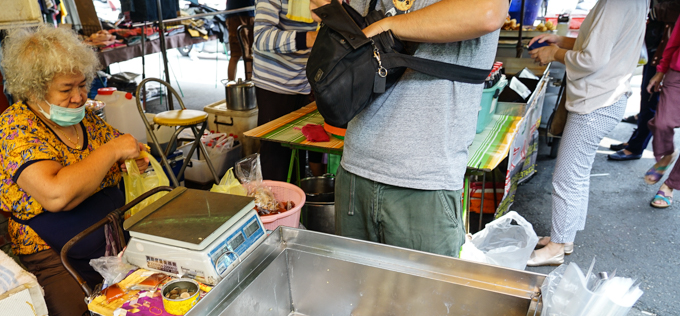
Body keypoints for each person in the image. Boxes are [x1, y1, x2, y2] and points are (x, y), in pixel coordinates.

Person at [0, 25, 148, 316]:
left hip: (110, 240)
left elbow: (123, 150)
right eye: (66, 89)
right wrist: (112, 152)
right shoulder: (16, 127)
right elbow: (57, 195)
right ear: (35, 88)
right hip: (54, 253)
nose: (78, 97)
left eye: (82, 85)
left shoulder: (87, 120)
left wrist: (136, 156)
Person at [306, 0, 507, 257]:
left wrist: (389, 25)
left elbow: (487, 12)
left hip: (425, 182)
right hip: (356, 170)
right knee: (355, 290)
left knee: (420, 295)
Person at [526, 0, 648, 267]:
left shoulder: (616, 3)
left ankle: (557, 246)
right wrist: (559, 40)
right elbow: (598, 44)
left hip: (597, 101)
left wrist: (553, 53)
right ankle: (564, 238)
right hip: (606, 97)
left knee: (567, 177)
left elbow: (592, 58)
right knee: (576, 175)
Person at [252, 0, 321, 181]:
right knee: (276, 159)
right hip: (274, 82)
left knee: (297, 156)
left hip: (305, 81)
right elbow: (261, 37)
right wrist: (312, 38)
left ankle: (295, 206)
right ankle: (274, 206)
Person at [608, 0, 680, 161]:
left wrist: (650, 8)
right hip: (657, 43)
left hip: (665, 49)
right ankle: (635, 141)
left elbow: (670, 11)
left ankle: (637, 146)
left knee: (651, 100)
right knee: (647, 95)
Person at [645, 11, 680, 208]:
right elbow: (674, 41)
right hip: (677, 72)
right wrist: (660, 71)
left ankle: (670, 185)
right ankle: (667, 154)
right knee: (661, 123)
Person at [226, 0, 255, 81]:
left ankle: (250, 84)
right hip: (236, 14)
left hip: (252, 12)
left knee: (250, 54)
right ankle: (231, 86)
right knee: (236, 54)